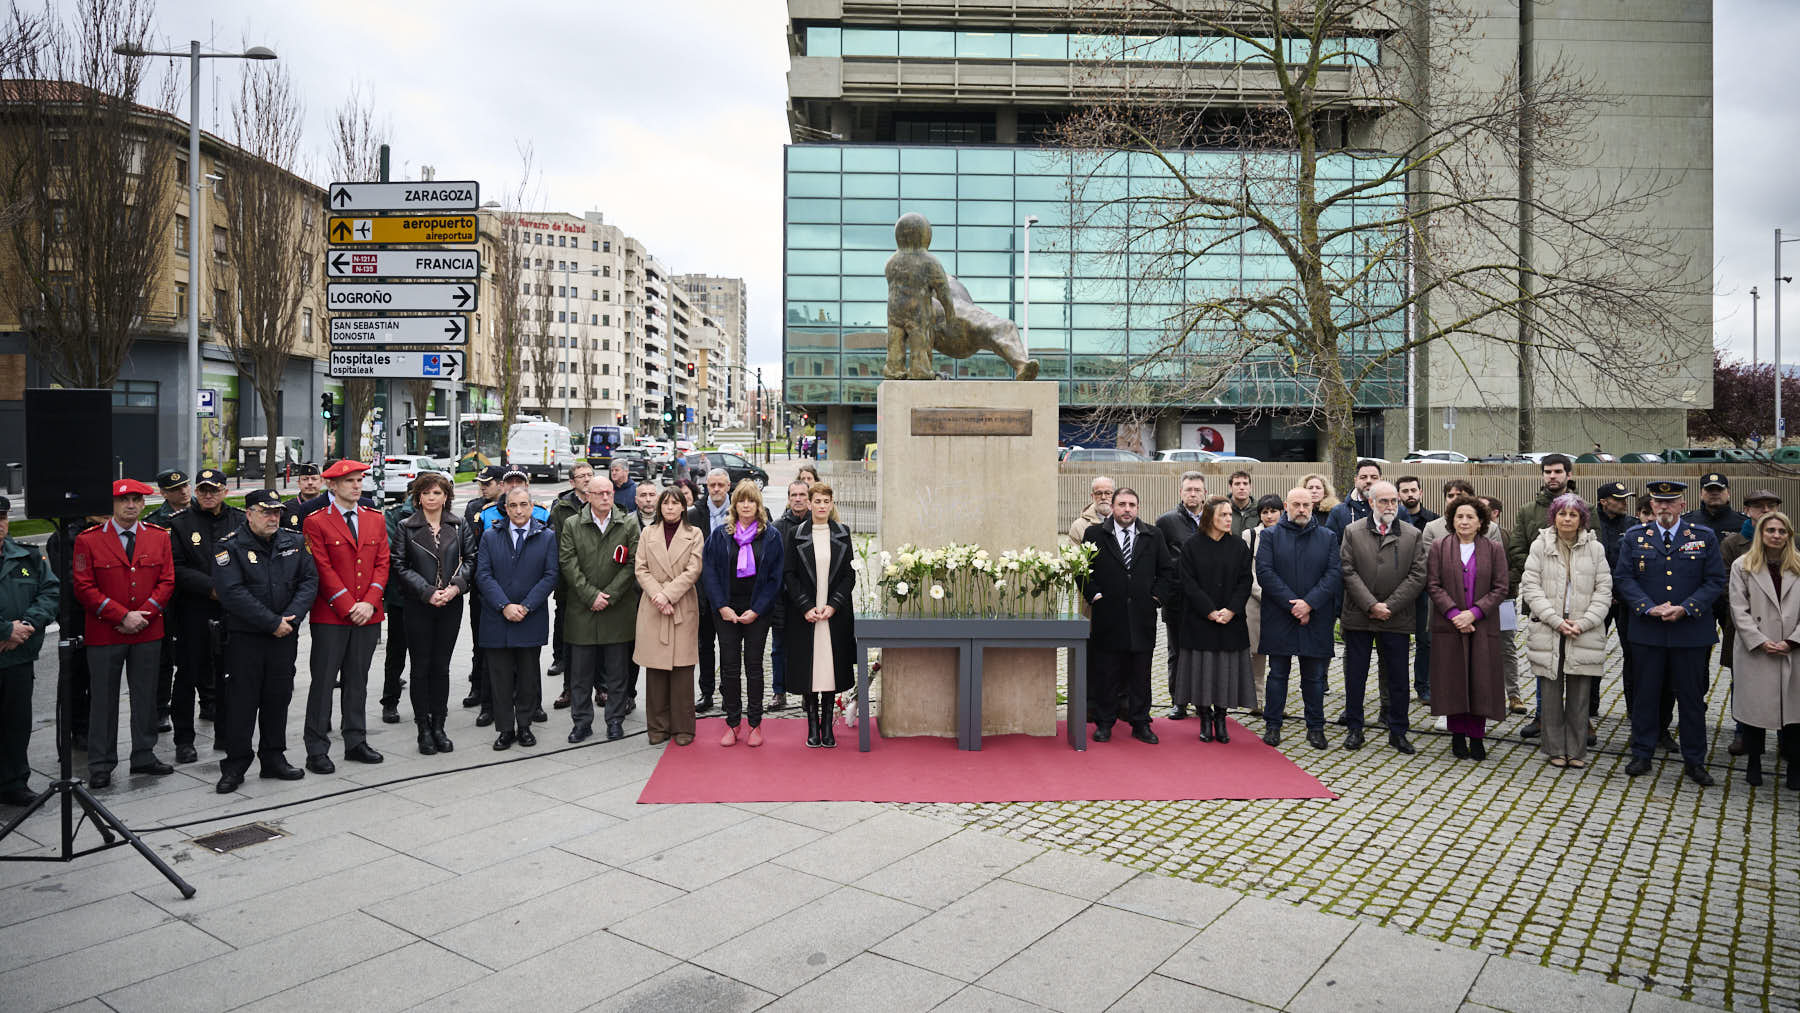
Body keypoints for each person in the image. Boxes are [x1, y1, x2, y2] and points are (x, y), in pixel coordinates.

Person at [1614, 480, 1726, 786]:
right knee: (1646, 695)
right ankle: (1642, 752)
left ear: (1681, 504)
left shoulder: (1702, 537)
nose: (1663, 506)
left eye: (1670, 501)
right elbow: (1623, 577)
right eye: (1658, 502)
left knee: (1691, 698)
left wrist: (1687, 607)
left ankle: (1694, 760)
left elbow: (1715, 580)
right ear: (1651, 505)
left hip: (1690, 631)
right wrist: (1647, 607)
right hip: (1648, 630)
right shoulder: (1636, 537)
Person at [70, 478, 176, 788]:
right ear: (112, 505)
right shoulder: (87, 540)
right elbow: (83, 586)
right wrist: (120, 615)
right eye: (123, 500)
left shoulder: (158, 537)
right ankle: (101, 763)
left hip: (147, 629)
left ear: (144, 504)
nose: (130, 506)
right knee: (102, 699)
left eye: (136, 500)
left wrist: (143, 615)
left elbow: (167, 581)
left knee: (146, 696)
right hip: (106, 631)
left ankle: (144, 754)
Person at [211, 489, 317, 794]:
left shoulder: (294, 542)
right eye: (265, 511)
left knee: (278, 697)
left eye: (276, 512)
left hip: (285, 635)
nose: (273, 517)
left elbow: (309, 581)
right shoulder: (229, 547)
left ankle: (273, 757)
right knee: (241, 702)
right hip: (246, 638)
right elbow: (232, 592)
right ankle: (235, 764)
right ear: (249, 514)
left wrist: (292, 618)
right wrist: (272, 623)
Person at [301, 459, 390, 774]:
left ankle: (355, 740)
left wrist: (368, 602)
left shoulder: (375, 518)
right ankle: (316, 748)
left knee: (358, 680)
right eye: (350, 481)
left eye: (359, 480)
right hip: (331, 616)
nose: (357, 486)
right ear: (332, 486)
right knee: (323, 682)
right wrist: (348, 605)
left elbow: (382, 564)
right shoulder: (316, 522)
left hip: (368, 613)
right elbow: (321, 569)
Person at [1520, 494, 1612, 769]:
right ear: (1554, 517)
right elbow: (1531, 586)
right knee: (1549, 690)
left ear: (1582, 518)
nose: (1567, 519)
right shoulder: (1540, 545)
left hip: (1583, 628)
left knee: (1580, 692)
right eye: (1562, 514)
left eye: (1573, 514)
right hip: (1550, 627)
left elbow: (1604, 590)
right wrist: (1555, 620)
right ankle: (1554, 747)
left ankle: (1577, 749)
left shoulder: (1595, 549)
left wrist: (1583, 623)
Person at [1338, 481, 1427, 754]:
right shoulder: (1352, 532)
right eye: (1384, 501)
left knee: (1398, 678)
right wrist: (1370, 604)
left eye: (1393, 501)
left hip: (1396, 617)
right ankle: (1355, 728)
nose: (1390, 506)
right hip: (1359, 615)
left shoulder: (1412, 535)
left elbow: (1418, 575)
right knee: (1356, 676)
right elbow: (1347, 570)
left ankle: (1398, 731)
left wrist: (1389, 605)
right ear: (1371, 503)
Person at [1256, 486, 1342, 750]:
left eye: (1306, 505)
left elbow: (1333, 574)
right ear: (1286, 506)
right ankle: (1272, 726)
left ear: (1313, 506)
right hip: (1280, 616)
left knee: (1314, 678)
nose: (1302, 509)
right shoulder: (1270, 536)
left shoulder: (1328, 537)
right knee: (1278, 675)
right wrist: (1293, 605)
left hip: (1316, 617)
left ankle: (1315, 727)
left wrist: (1309, 604)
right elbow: (1265, 573)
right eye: (1296, 505)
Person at [475, 486, 560, 750]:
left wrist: (525, 606)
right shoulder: (491, 536)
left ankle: (524, 726)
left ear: (532, 507)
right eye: (513, 506)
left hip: (529, 618)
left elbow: (551, 575)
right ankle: (504, 729)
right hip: (497, 619)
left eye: (524, 504)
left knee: (527, 677)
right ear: (506, 508)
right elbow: (483, 575)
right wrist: (504, 605)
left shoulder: (546, 537)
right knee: (499, 679)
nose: (519, 510)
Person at [165, 469, 241, 763]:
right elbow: (176, 566)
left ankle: (225, 732)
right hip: (193, 609)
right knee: (187, 674)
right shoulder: (181, 524)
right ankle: (184, 740)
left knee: (229, 674)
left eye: (214, 489)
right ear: (196, 492)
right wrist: (210, 588)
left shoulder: (238, 520)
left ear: (224, 491)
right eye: (203, 490)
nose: (208, 495)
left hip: (231, 609)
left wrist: (228, 590)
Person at [559, 475, 641, 742]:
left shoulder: (628, 524)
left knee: (617, 673)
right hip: (582, 611)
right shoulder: (572, 525)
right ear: (588, 495)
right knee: (580, 675)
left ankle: (615, 720)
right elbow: (568, 562)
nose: (606, 497)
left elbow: (633, 563)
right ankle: (581, 722)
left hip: (617, 610)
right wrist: (590, 595)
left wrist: (611, 595)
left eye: (609, 492)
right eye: (600, 493)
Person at [703, 480, 785, 747]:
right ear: (735, 505)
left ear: (758, 504)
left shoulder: (771, 536)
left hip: (756, 612)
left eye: (751, 500)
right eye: (741, 500)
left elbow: (775, 578)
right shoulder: (720, 535)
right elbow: (710, 572)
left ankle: (755, 724)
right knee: (728, 667)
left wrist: (757, 609)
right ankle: (732, 722)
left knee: (753, 666)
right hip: (726, 610)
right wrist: (721, 606)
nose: (746, 505)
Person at [392, 472, 469, 755]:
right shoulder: (406, 527)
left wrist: (455, 588)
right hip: (419, 605)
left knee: (442, 666)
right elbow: (399, 565)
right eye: (426, 493)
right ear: (418, 497)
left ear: (446, 496)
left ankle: (439, 725)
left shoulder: (459, 525)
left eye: (437, 493)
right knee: (420, 667)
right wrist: (426, 592)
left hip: (451, 603)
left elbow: (471, 559)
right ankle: (423, 728)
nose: (432, 498)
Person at [1427, 496, 1509, 761]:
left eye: (1470, 517)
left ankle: (1477, 737)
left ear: (1481, 521)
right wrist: (1454, 614)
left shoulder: (1494, 549)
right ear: (1452, 520)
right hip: (1449, 625)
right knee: (1453, 680)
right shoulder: (1440, 546)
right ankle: (1457, 736)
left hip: (1482, 626)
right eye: (1459, 516)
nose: (1464, 521)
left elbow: (1501, 587)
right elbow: (1433, 584)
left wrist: (1473, 614)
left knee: (1480, 681)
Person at [1726, 510, 1800, 789]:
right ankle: (1754, 763)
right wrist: (1758, 639)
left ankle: (1795, 766)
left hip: (1792, 650)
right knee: (1755, 714)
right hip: (1757, 649)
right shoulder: (1742, 566)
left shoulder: (1799, 565)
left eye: (1782, 531)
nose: (1776, 536)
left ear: (1789, 535)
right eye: (1771, 530)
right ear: (1761, 533)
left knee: (1794, 715)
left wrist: (1792, 641)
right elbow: (1738, 608)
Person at [782, 481, 857, 748]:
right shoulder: (796, 533)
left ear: (832, 503)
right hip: (807, 614)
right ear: (810, 504)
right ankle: (813, 725)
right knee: (809, 670)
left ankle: (828, 725)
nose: (822, 506)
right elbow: (788, 574)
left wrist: (834, 604)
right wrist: (805, 606)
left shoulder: (842, 533)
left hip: (833, 613)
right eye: (817, 501)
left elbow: (850, 575)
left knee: (830, 670)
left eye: (826, 501)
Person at [1174, 497, 1253, 743]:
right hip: (1200, 621)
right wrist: (1209, 610)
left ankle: (1221, 717)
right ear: (1210, 517)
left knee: (1225, 672)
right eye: (1224, 515)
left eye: (1230, 515)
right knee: (1202, 672)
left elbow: (1245, 581)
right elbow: (1187, 582)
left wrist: (1231, 610)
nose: (1229, 519)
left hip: (1231, 621)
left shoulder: (1239, 546)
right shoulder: (1192, 546)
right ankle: (1205, 718)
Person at [0, 495, 59, 806]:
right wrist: (5, 630)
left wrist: (26, 626)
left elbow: (50, 591)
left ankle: (13, 782)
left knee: (16, 723)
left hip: (18, 656)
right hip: (9, 642)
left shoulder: (27, 555)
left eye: (1, 519)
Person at [636, 488, 705, 746]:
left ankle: (683, 726)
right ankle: (657, 726)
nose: (670, 508)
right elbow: (640, 568)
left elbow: (694, 569)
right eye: (665, 503)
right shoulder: (647, 533)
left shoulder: (694, 534)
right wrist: (658, 595)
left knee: (682, 671)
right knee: (655, 671)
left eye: (675, 503)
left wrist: (669, 595)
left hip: (681, 604)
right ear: (659, 507)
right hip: (653, 606)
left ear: (683, 507)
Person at [1725, 488, 1783, 758]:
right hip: (1746, 628)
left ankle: (1788, 736)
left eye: (1771, 506)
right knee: (1745, 683)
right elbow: (1727, 591)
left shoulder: (1790, 543)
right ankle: (1743, 733)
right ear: (1747, 511)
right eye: (1759, 507)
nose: (1765, 511)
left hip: (1785, 631)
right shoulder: (1733, 544)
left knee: (1787, 684)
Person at [1684, 472, 1748, 684]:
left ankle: (1741, 704)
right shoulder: (1688, 523)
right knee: (1696, 656)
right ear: (1701, 493)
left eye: (1718, 490)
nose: (1714, 495)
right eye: (1709, 490)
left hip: (1732, 597)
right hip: (1700, 597)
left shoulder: (1743, 524)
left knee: (1738, 652)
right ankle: (1696, 704)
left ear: (1728, 493)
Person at [1154, 471, 1208, 719]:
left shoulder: (1213, 518)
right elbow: (1160, 561)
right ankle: (1179, 701)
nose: (1193, 493)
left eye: (1197, 489)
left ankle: (1201, 701)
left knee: (1201, 652)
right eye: (1189, 489)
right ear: (1181, 492)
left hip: (1206, 600)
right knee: (1177, 652)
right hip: (1177, 599)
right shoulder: (1166, 522)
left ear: (1204, 492)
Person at [145, 468, 189, 735]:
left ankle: (208, 702)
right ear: (163, 493)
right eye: (174, 489)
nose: (182, 492)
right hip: (168, 600)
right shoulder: (157, 521)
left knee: (202, 653)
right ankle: (161, 709)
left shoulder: (205, 512)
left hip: (197, 595)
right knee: (163, 658)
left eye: (185, 486)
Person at [686, 468, 734, 714]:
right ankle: (706, 693)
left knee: (729, 647)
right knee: (705, 646)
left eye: (720, 485)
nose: (715, 489)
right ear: (706, 486)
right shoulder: (694, 515)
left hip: (730, 593)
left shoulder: (738, 513)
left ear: (728, 486)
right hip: (702, 592)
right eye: (711, 485)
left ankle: (729, 693)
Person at [549, 461, 595, 708]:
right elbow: (558, 550)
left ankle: (602, 688)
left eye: (590, 474)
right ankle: (569, 688)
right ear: (572, 481)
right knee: (571, 642)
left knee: (600, 640)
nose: (587, 479)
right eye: (582, 476)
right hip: (569, 587)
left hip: (599, 585)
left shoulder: (604, 502)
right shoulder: (561, 509)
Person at [460, 464, 505, 720]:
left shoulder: (512, 506)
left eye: (487, 483)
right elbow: (469, 546)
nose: (482, 488)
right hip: (481, 585)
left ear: (500, 484)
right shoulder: (474, 508)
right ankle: (478, 687)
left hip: (507, 583)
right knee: (480, 641)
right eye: (481, 483)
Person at [768, 479, 814, 712]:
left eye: (802, 495)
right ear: (788, 498)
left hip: (809, 601)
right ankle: (779, 692)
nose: (798, 499)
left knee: (807, 648)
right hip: (782, 600)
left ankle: (808, 693)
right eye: (793, 495)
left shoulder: (817, 525)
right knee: (779, 649)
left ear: (809, 498)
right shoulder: (777, 527)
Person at [1398, 475, 1440, 705]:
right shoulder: (1393, 520)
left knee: (1426, 640)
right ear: (1398, 495)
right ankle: (1399, 686)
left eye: (1413, 490)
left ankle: (1424, 686)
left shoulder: (1434, 521)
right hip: (1400, 589)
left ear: (1421, 492)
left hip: (1425, 589)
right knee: (1399, 641)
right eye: (1405, 491)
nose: (1409, 494)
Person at [1242, 494, 1283, 716]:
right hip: (1255, 603)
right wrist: (1264, 594)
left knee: (1279, 656)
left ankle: (1276, 703)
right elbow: (1246, 571)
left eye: (1273, 511)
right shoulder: (1249, 536)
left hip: (1280, 604)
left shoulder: (1288, 535)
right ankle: (1255, 701)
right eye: (1264, 512)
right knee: (1256, 654)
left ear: (1281, 512)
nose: (1269, 516)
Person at [1326, 460, 1411, 533]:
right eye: (1363, 477)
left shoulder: (1399, 511)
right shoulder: (1338, 512)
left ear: (1381, 480)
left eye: (1374, 477)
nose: (1368, 481)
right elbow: (1334, 546)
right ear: (1356, 481)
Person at [1069, 475, 1114, 542]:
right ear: (1092, 496)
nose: (1103, 497)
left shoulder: (1125, 522)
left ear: (1115, 495)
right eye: (1098, 493)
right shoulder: (1078, 526)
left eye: (1108, 493)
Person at [281, 462, 324, 532]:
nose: (310, 482)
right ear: (298, 483)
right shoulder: (286, 509)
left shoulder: (330, 506)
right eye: (305, 479)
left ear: (321, 482)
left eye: (314, 479)